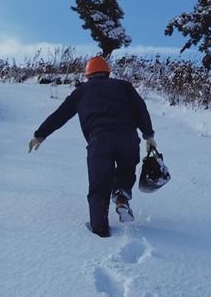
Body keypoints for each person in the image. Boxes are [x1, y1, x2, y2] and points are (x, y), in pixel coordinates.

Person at [28, 56, 157, 237]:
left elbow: (60, 115)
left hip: (100, 142)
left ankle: (100, 228)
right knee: (125, 173)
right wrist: (149, 135)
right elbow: (140, 109)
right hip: (128, 139)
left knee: (99, 186)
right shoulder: (123, 86)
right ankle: (121, 197)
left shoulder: (82, 91)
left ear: (88, 74)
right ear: (107, 72)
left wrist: (40, 135)